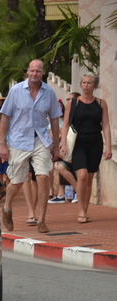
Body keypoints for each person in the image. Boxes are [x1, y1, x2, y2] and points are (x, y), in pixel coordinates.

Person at [0, 59, 62, 234]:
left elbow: (55, 119)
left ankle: (41, 219)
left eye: (38, 71)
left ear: (43, 73)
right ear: (27, 71)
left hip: (40, 138)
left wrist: (56, 145)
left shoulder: (49, 92)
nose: (35, 74)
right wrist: (3, 144)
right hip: (19, 140)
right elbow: (5, 118)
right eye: (32, 71)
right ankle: (7, 207)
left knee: (43, 177)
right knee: (17, 182)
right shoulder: (16, 90)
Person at [60, 73, 113, 223]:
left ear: (94, 86)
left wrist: (108, 146)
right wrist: (63, 144)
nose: (86, 85)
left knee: (89, 179)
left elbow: (106, 126)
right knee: (82, 176)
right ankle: (81, 211)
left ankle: (85, 210)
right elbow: (65, 124)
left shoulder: (101, 103)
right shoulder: (74, 102)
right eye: (83, 82)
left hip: (95, 142)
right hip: (78, 142)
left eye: (89, 83)